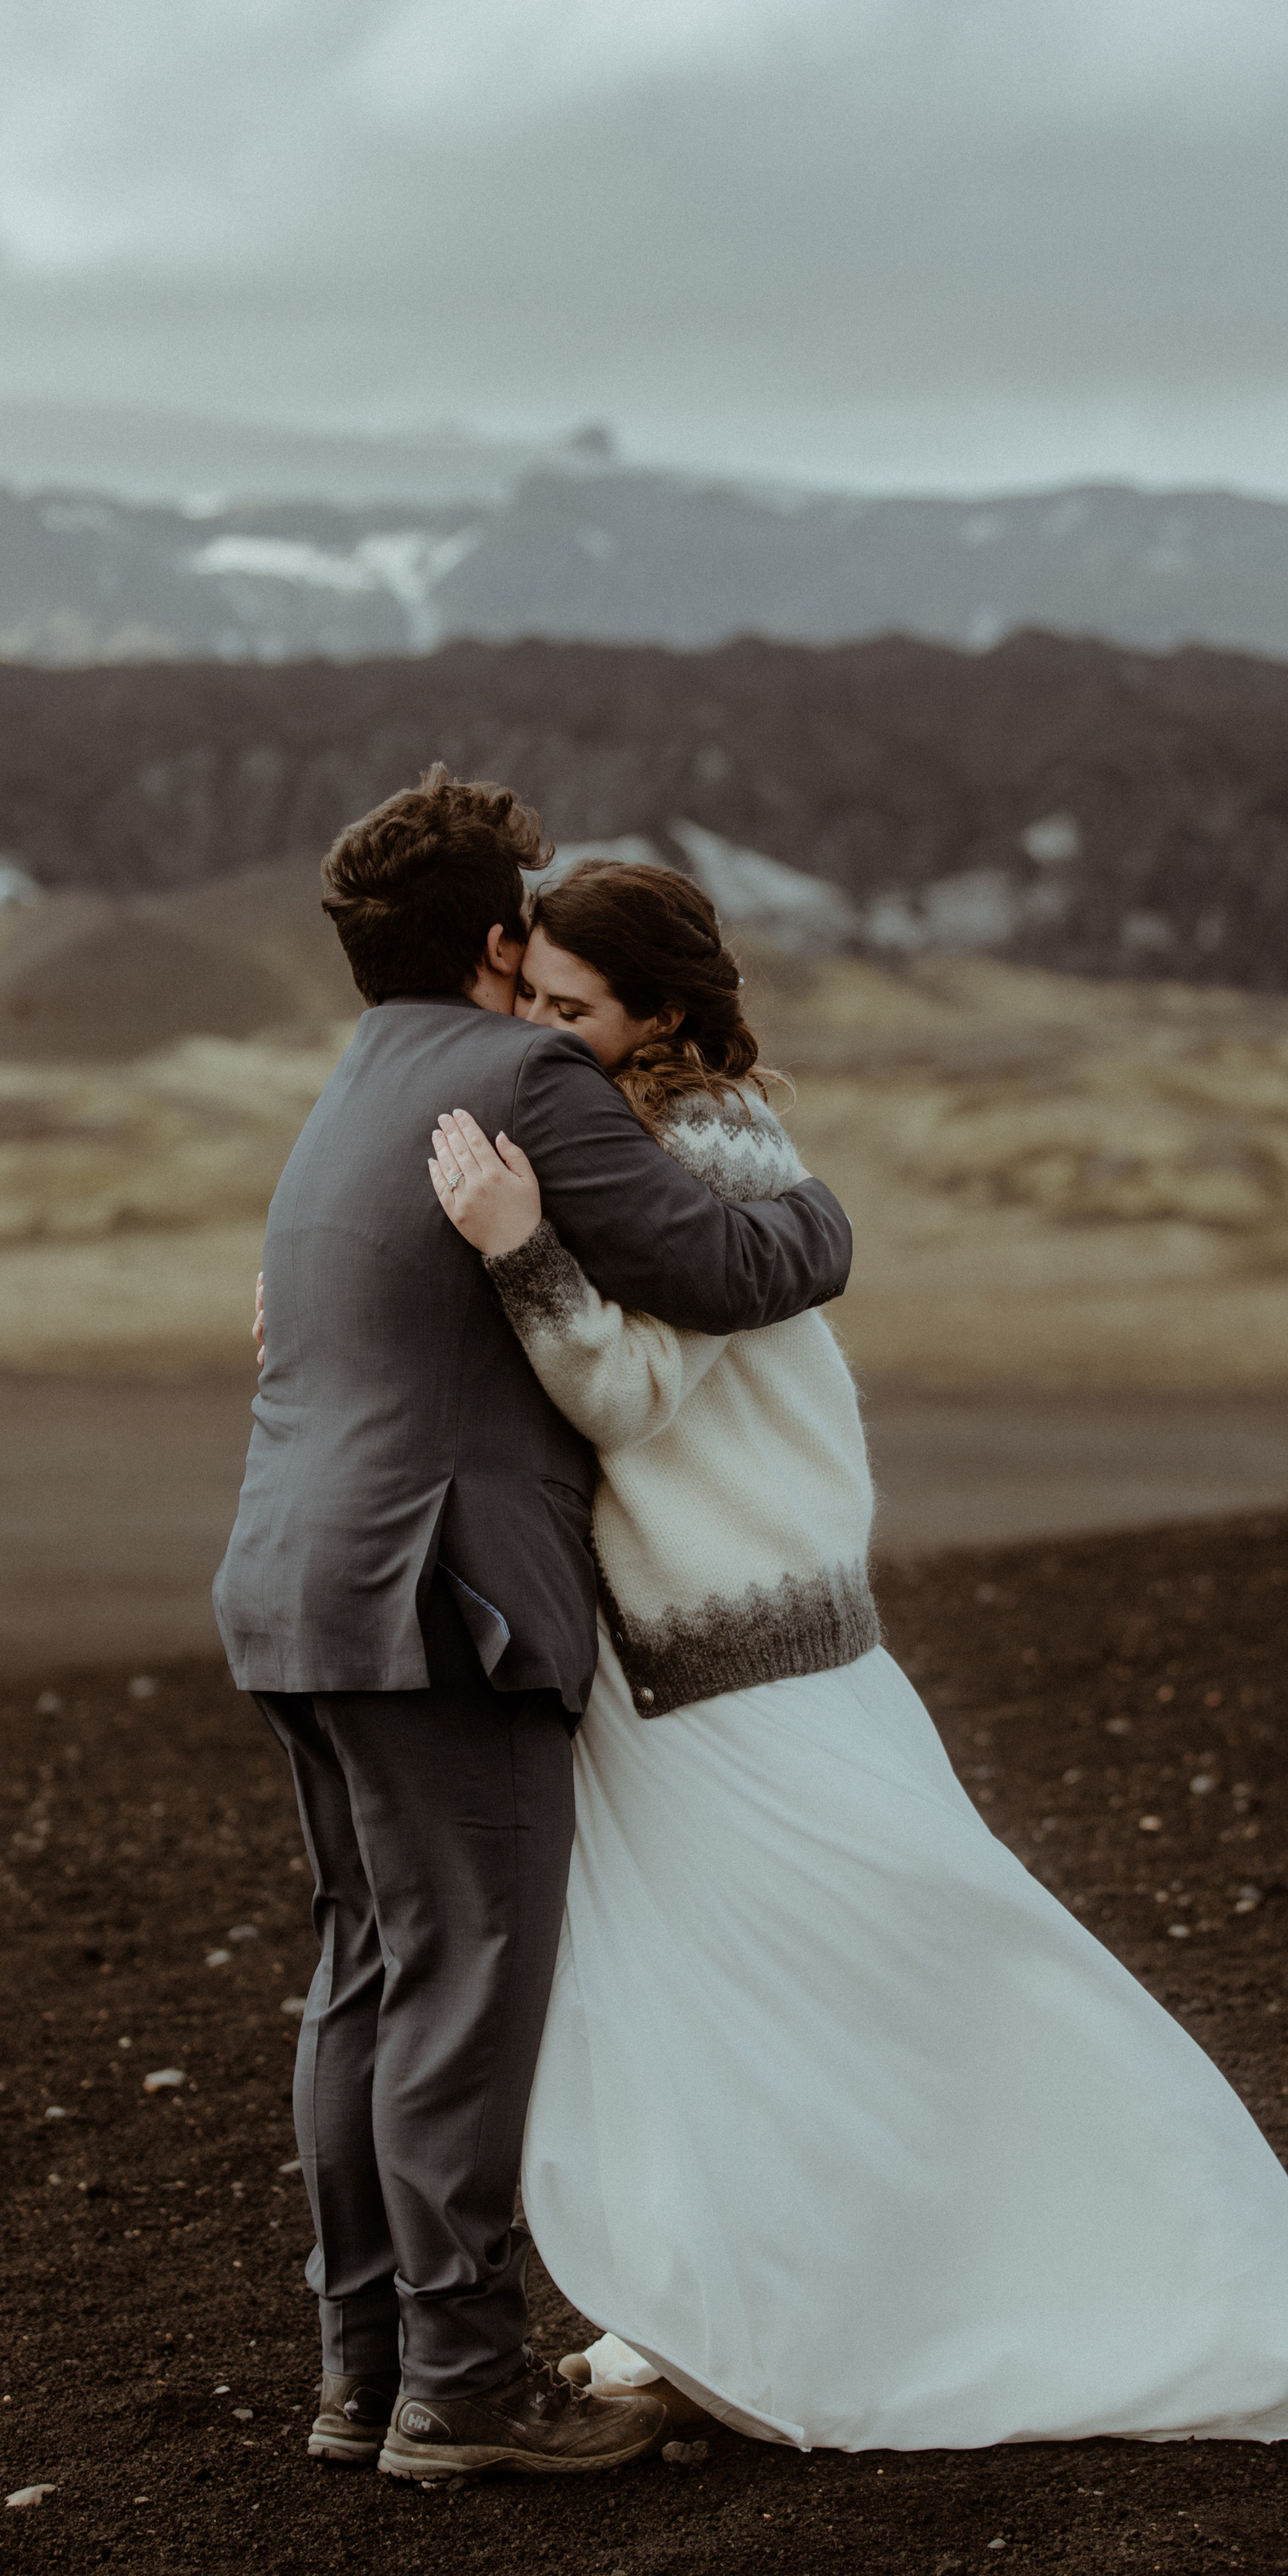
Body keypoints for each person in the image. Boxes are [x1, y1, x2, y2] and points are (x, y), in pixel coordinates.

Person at [429, 857, 1288, 2453]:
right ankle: (738, 2311)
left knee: (920, 1964)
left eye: (571, 1010)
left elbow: (631, 1396)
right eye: (527, 1004)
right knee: (756, 2006)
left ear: (657, 1014)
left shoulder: (688, 1141)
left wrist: (514, 1244)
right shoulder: (671, 1127)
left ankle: (1110, 2280)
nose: (538, 1035)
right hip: (715, 1650)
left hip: (737, 1657)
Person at [214, 769, 853, 2486]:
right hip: (442, 1600)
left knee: (364, 1978)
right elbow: (719, 1267)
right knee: (467, 1989)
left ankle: (367, 2376)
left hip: (291, 1581)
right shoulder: (522, 1071)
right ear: (502, 942)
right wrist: (821, 1213)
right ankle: (469, 2389)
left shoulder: (350, 1084)